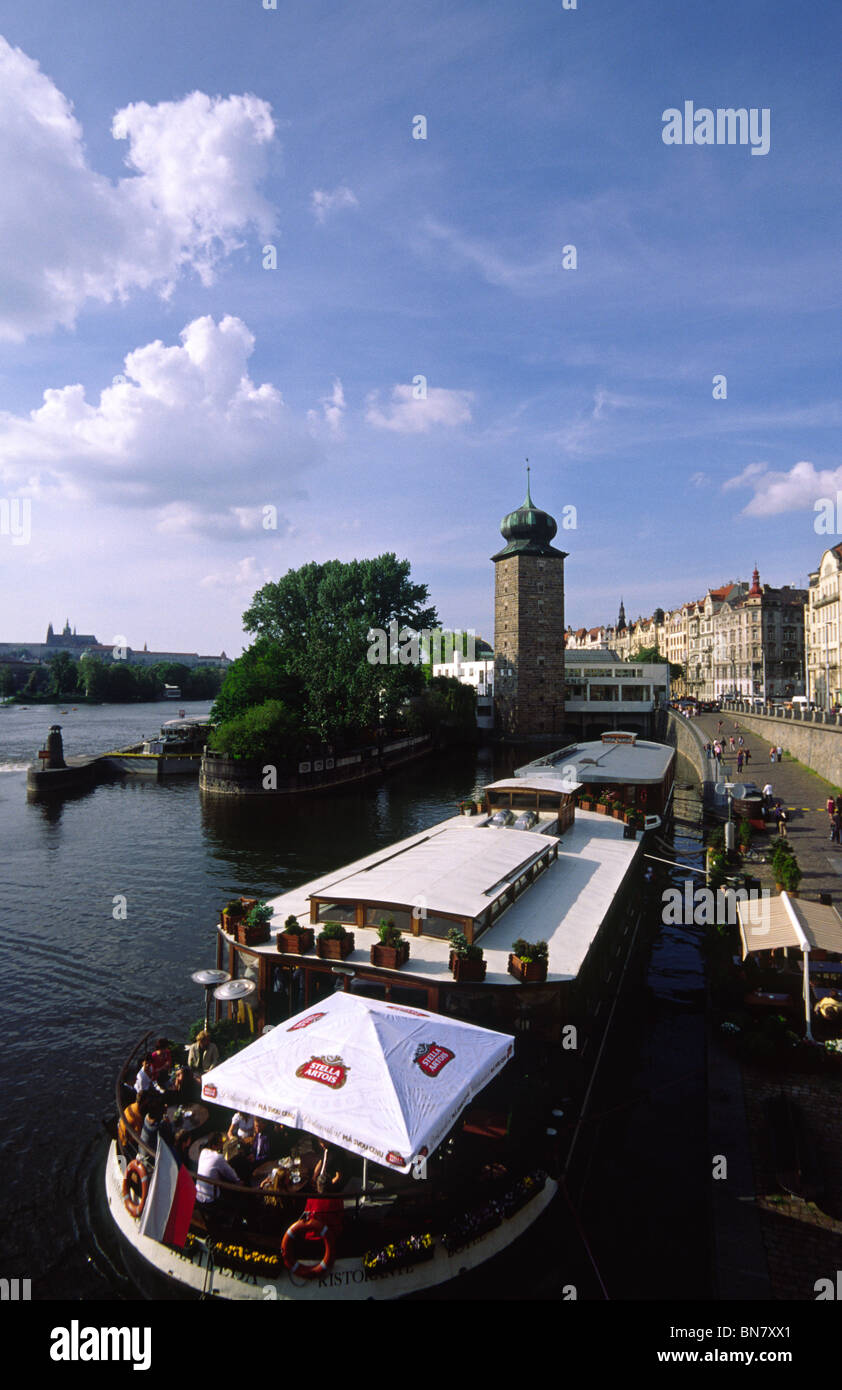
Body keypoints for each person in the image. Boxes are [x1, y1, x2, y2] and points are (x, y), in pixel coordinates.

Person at [196, 1133, 242, 1211]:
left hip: (198, 1195)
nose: (222, 1145)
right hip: (210, 1199)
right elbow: (231, 1175)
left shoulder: (203, 1152)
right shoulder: (218, 1157)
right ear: (214, 1145)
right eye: (220, 1143)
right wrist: (238, 1181)